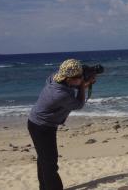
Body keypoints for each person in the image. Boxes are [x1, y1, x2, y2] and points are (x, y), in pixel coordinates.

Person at [28, 59, 95, 190]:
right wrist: (82, 86)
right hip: (42, 127)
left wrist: (82, 82)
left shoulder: (54, 77)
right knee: (50, 164)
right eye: (79, 77)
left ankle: (44, 187)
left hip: (36, 123)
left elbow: (70, 86)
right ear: (69, 78)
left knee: (44, 159)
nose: (81, 78)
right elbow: (78, 104)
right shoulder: (60, 94)